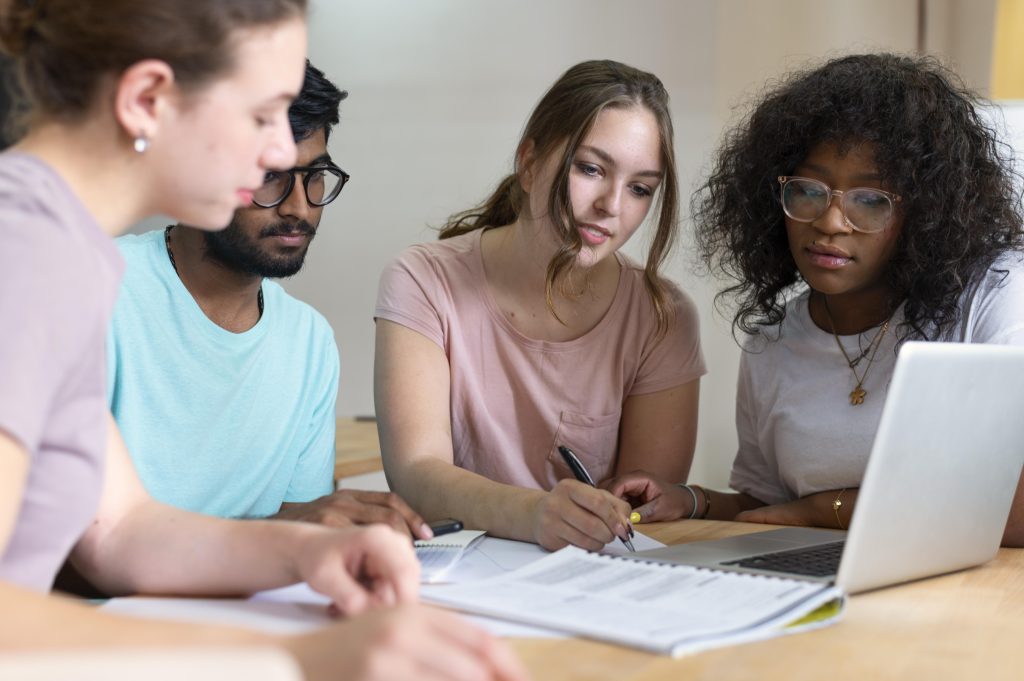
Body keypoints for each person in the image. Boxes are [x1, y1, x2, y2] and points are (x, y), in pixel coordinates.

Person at [0, 3, 526, 680]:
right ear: (147, 99)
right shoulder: (24, 251)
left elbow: (122, 529)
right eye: (262, 114)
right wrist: (297, 656)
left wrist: (303, 552)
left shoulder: (66, 250)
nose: (283, 153)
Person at [604, 53, 1024, 547]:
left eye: (871, 200)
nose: (828, 222)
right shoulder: (774, 344)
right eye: (808, 190)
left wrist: (826, 509)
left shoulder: (995, 295)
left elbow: (1011, 513)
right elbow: (772, 509)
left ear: (928, 213)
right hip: (826, 585)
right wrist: (692, 499)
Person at [374, 59, 706, 552]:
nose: (612, 205)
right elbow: (416, 476)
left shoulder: (664, 316)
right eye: (591, 169)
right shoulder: (423, 280)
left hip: (588, 586)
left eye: (639, 189)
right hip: (457, 582)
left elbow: (644, 512)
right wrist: (534, 513)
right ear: (529, 163)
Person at [109, 60, 429, 539]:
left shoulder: (309, 342)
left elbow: (300, 534)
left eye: (315, 176)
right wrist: (279, 531)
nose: (299, 207)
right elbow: (41, 549)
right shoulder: (100, 287)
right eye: (269, 175)